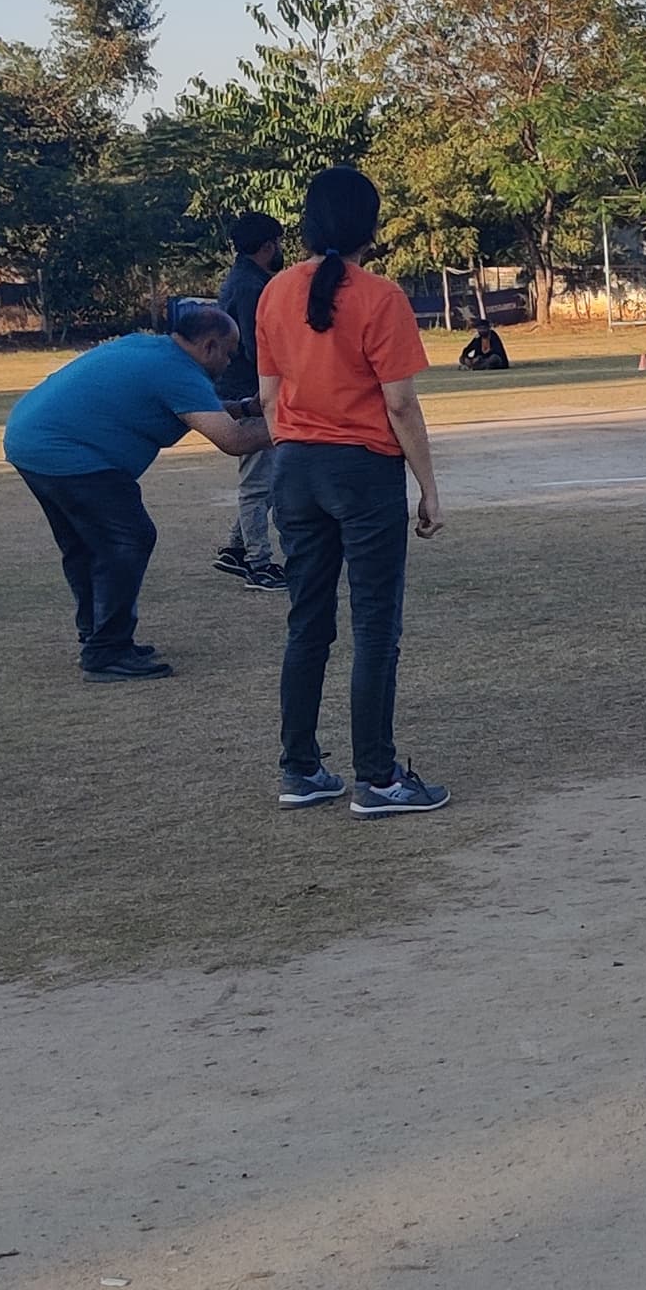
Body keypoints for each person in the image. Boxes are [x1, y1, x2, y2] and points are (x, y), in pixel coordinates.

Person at [256, 166, 450, 816]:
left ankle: (300, 768)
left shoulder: (275, 292)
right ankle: (379, 777)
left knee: (307, 623)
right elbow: (399, 403)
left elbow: (267, 397)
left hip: (294, 469)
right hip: (360, 470)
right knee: (375, 626)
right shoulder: (380, 297)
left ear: (307, 224)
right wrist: (428, 487)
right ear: (371, 225)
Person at [0, 302, 264, 679]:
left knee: (85, 545)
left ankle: (97, 634)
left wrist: (242, 407)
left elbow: (191, 408)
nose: (229, 363)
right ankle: (107, 651)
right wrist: (301, 427)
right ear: (208, 346)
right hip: (71, 453)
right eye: (228, 353)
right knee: (128, 538)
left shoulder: (151, 348)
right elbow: (233, 440)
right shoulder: (180, 372)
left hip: (30, 438)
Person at [211, 212, 290, 585]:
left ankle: (236, 548)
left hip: (244, 390)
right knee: (259, 482)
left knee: (268, 475)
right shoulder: (251, 285)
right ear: (267, 246)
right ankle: (258, 564)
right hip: (249, 394)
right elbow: (256, 348)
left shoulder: (247, 279)